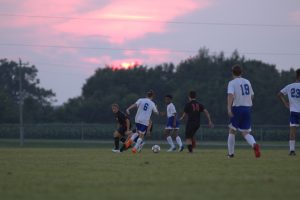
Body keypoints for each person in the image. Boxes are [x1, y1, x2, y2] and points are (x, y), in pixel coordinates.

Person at [227, 64, 260, 158]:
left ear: (232, 73)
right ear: (241, 72)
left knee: (232, 130)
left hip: (237, 108)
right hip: (247, 108)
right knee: (245, 132)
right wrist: (247, 102)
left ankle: (231, 154)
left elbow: (230, 95)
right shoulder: (247, 82)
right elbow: (252, 95)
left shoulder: (232, 83)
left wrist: (229, 108)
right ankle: (254, 144)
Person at [278, 68, 300, 156]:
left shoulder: (290, 86)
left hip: (294, 111)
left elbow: (279, 94)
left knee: (292, 132)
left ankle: (292, 151)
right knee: (292, 132)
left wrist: (286, 104)